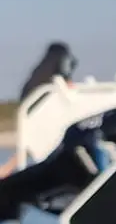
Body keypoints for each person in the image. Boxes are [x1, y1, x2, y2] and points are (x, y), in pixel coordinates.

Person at [0, 42, 78, 179]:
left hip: (32, 112)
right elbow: (68, 84)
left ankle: (7, 169)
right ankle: (7, 169)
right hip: (44, 112)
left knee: (30, 146)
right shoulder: (60, 63)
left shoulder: (39, 72)